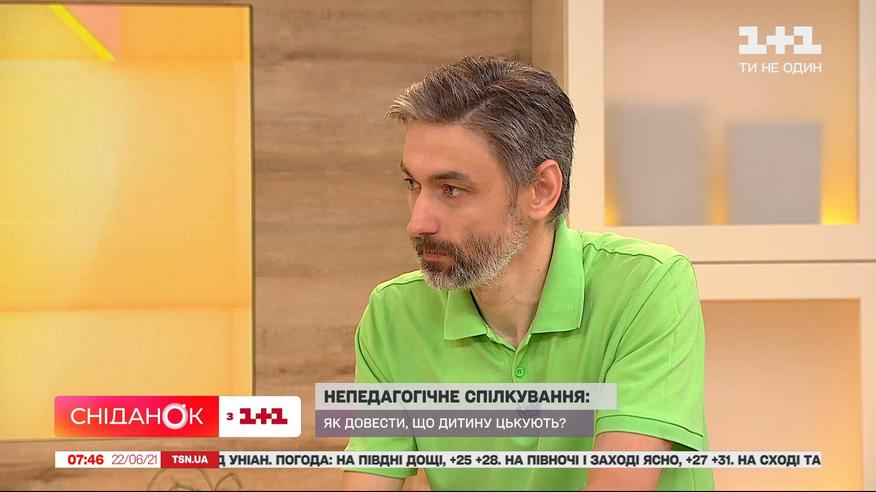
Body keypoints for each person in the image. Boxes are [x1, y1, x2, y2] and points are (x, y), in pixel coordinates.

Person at [339, 56, 714, 491]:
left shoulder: (647, 285)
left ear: (541, 191)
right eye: (413, 185)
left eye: (451, 190)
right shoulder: (394, 313)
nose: (417, 222)